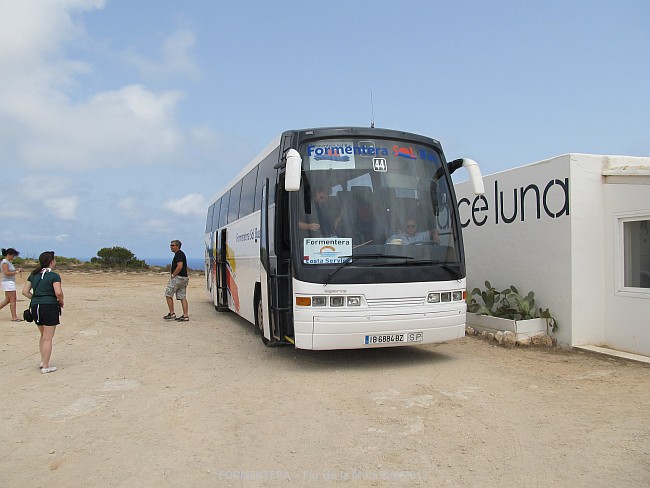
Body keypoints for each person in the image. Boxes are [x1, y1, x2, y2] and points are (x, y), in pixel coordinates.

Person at [21, 251, 63, 374]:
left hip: (36, 307)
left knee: (43, 335)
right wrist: (61, 301)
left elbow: (25, 291)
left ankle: (43, 360)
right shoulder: (54, 276)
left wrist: (36, 298)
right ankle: (45, 366)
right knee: (48, 338)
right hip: (49, 307)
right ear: (51, 262)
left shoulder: (33, 275)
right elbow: (58, 292)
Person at [164, 240, 190, 322]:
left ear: (177, 246)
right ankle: (185, 316)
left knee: (168, 294)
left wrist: (173, 275)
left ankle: (172, 313)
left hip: (178, 278)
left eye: (172, 245)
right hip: (184, 278)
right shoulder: (181, 254)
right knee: (182, 296)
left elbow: (180, 266)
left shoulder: (178, 254)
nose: (171, 247)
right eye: (170, 245)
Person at [1, 248, 23, 321]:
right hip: (8, 282)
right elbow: (6, 273)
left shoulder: (8, 262)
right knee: (13, 299)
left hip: (9, 282)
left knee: (7, 300)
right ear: (9, 255)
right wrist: (16, 272)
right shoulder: (5, 262)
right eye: (13, 256)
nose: (13, 257)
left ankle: (14, 316)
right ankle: (14, 317)